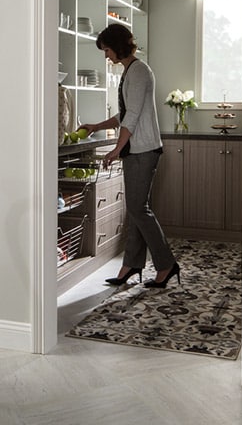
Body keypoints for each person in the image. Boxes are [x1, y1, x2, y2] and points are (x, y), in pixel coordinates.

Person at [81, 23, 180, 289]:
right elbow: (123, 115)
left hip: (143, 150)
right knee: (136, 209)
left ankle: (166, 264)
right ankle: (132, 265)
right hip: (136, 150)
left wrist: (115, 149)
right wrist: (96, 126)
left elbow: (133, 116)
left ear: (118, 46)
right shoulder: (130, 71)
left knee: (138, 208)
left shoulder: (139, 72)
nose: (106, 56)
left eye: (107, 50)